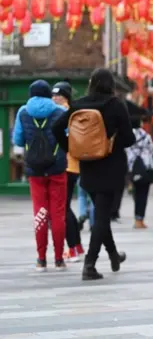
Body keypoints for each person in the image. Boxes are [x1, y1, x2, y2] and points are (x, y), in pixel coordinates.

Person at [53, 68, 134, 281]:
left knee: (100, 214)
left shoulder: (79, 104)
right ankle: (89, 264)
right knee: (101, 216)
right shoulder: (116, 105)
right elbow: (129, 139)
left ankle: (113, 255)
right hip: (111, 167)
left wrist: (71, 148)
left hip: (87, 167)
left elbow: (56, 127)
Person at [13, 80, 68, 272]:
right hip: (57, 168)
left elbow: (18, 140)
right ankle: (59, 259)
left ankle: (41, 259)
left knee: (40, 212)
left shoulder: (23, 112)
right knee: (58, 213)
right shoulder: (60, 112)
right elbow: (68, 138)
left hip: (34, 170)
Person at [51, 81, 85, 263]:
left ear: (66, 97)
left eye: (59, 95)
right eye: (53, 95)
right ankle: (77, 246)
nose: (55, 98)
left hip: (66, 166)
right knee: (65, 208)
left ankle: (72, 248)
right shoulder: (74, 112)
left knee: (62, 209)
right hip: (73, 165)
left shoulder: (62, 113)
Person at [126, 118, 153, 229]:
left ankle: (136, 218)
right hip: (145, 168)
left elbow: (126, 150)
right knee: (143, 194)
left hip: (132, 168)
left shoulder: (128, 136)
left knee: (136, 194)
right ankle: (140, 219)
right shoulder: (146, 136)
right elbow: (152, 149)